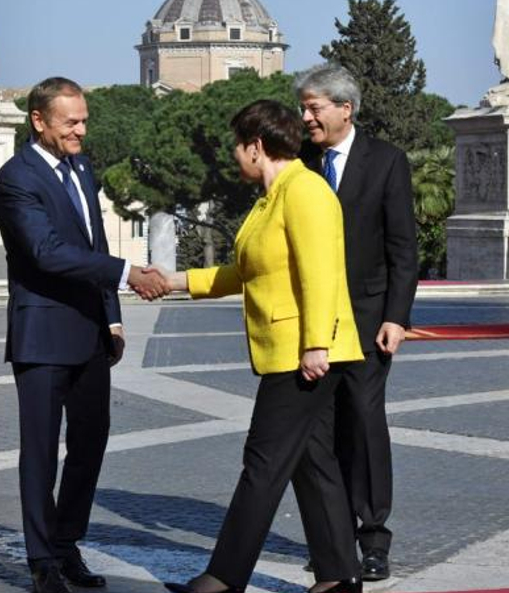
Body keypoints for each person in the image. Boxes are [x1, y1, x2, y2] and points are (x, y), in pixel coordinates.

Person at [159, 99, 364, 593]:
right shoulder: (271, 199)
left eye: (237, 145)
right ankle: (339, 577)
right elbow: (245, 273)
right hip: (290, 350)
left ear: (256, 146)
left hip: (305, 353)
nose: (234, 155)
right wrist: (174, 281)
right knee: (313, 465)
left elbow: (321, 273)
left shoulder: (306, 192)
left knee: (263, 463)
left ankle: (224, 579)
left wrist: (316, 344)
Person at [0, 76, 168, 593]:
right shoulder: (16, 178)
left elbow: (92, 237)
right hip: (43, 335)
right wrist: (128, 273)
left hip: (92, 334)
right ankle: (42, 559)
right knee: (41, 452)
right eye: (71, 122)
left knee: (90, 443)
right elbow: (45, 252)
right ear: (39, 121)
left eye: (85, 119)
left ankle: (67, 543)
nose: (82, 130)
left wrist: (111, 316)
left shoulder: (82, 167)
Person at [296, 63, 418, 582]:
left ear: (345, 109)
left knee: (364, 427)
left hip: (369, 323)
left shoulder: (387, 162)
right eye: (303, 108)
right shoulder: (298, 163)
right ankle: (331, 539)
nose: (305, 117)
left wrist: (397, 317)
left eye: (314, 107)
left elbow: (403, 249)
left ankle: (373, 540)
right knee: (318, 434)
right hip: (313, 326)